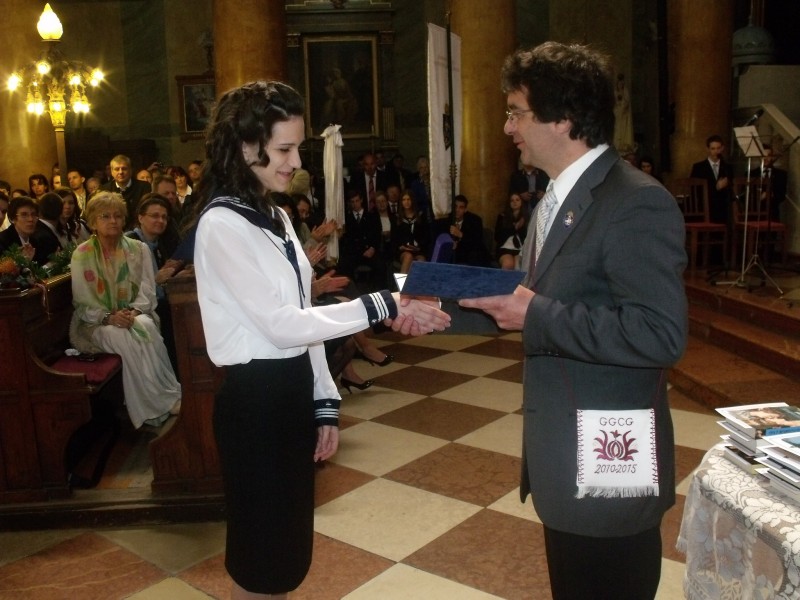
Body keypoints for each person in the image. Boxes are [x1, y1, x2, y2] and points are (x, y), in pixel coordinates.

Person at [190, 80, 450, 599]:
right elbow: (280, 325)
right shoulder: (221, 225)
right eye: (284, 149)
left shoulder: (277, 216)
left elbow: (304, 315)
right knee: (261, 556)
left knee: (287, 551)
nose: (294, 162)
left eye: (297, 148)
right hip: (255, 404)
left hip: (290, 395)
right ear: (245, 146)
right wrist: (381, 305)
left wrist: (324, 401)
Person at [460, 42, 687, 600]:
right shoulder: (555, 200)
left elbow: (659, 332)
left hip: (610, 460)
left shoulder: (634, 201)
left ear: (562, 118)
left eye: (516, 112)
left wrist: (534, 312)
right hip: (564, 455)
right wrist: (438, 313)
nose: (508, 126)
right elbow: (538, 307)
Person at [69, 191, 181, 428]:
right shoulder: (82, 254)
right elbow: (82, 302)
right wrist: (109, 317)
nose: (113, 221)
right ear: (93, 222)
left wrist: (133, 312)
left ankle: (168, 395)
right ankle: (156, 406)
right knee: (123, 337)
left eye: (118, 216)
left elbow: (147, 291)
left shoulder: (138, 249)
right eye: (105, 216)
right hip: (94, 324)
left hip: (134, 314)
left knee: (146, 326)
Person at [0, 196, 59, 266]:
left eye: (33, 214)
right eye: (24, 215)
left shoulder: (38, 240)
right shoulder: (3, 241)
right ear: (12, 219)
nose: (30, 219)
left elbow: (40, 267)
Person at [690, 134, 732, 224]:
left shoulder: (728, 168)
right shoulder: (698, 167)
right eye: (713, 149)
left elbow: (732, 191)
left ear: (722, 148)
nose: (716, 151)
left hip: (723, 209)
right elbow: (695, 191)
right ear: (708, 149)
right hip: (705, 207)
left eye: (718, 148)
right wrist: (716, 187)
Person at [100, 155, 151, 227]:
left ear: (130, 170)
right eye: (117, 169)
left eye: (124, 169)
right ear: (112, 172)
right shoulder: (104, 190)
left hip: (139, 228)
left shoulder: (144, 187)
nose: (120, 172)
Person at [392, 188, 429, 273]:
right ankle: (402, 282)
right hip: (402, 251)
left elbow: (426, 236)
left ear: (412, 200)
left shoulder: (420, 216)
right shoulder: (397, 218)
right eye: (404, 200)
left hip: (418, 250)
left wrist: (418, 247)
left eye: (408, 199)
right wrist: (400, 246)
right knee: (408, 256)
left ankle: (417, 282)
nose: (406, 202)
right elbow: (394, 238)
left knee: (421, 261)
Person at [449, 194, 490, 266]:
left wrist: (460, 234)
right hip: (456, 254)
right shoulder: (447, 219)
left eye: (461, 207)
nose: (457, 210)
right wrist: (450, 243)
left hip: (471, 253)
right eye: (455, 206)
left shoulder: (475, 220)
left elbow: (477, 241)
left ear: (465, 210)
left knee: (475, 253)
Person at [494, 192, 529, 270]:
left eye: (517, 200)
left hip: (520, 249)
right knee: (508, 264)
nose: (514, 202)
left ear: (521, 202)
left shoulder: (527, 218)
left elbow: (527, 238)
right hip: (505, 248)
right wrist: (514, 228)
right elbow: (497, 236)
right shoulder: (502, 217)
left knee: (518, 264)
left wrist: (521, 225)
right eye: (512, 200)